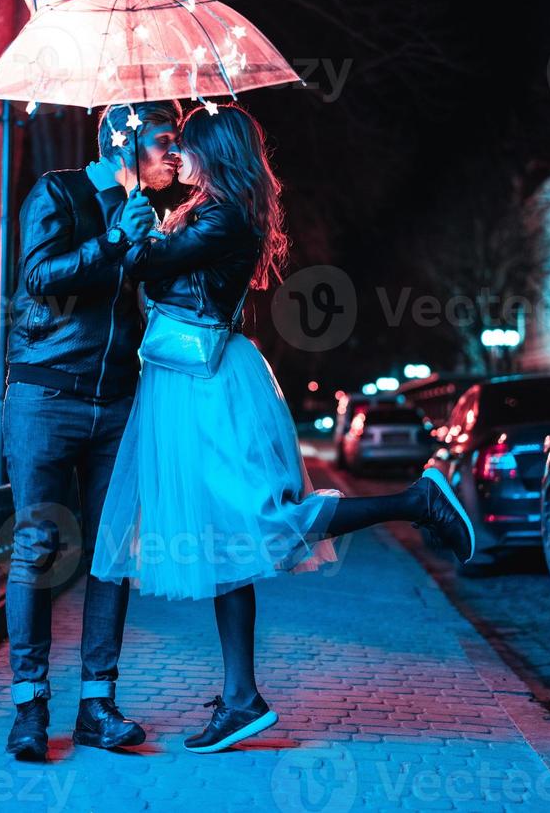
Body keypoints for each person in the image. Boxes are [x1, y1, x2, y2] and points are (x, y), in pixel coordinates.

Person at [91, 102, 475, 754]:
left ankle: (417, 500)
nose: (178, 155)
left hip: (206, 390)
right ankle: (241, 699)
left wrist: (127, 209)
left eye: (190, 145)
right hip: (192, 384)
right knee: (224, 540)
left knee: (264, 522)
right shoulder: (212, 211)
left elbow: (143, 267)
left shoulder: (220, 218)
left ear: (216, 152)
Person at [3, 99, 181, 760]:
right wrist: (112, 240)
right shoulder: (58, 191)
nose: (173, 152)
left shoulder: (148, 215)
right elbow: (39, 278)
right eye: (164, 138)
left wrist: (152, 247)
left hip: (115, 402)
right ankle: (29, 708)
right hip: (46, 394)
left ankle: (97, 705)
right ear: (121, 140)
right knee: (38, 549)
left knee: (112, 555)